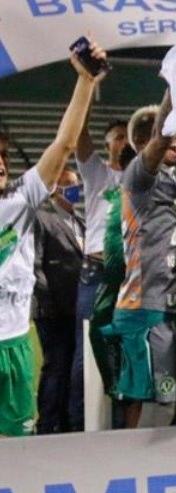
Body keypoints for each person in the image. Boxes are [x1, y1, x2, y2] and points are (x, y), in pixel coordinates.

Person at [0, 41, 106, 436]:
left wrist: (84, 81)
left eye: (2, 162)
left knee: (17, 449)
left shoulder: (17, 201)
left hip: (13, 345)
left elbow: (63, 146)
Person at [110, 34, 176, 428]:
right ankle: (129, 466)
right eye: (170, 139)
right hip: (145, 305)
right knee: (146, 400)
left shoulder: (172, 176)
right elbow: (163, 135)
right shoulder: (139, 176)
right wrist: (174, 83)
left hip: (173, 303)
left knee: (172, 402)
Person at [72, 114, 127, 431]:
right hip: (97, 275)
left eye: (127, 136)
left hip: (130, 279)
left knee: (123, 357)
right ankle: (79, 428)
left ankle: (118, 428)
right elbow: (78, 132)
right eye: (117, 136)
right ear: (106, 144)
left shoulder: (143, 178)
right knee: (87, 359)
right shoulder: (96, 172)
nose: (124, 141)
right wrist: (88, 88)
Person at [32, 168, 85, 432]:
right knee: (56, 367)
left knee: (70, 369)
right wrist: (47, 302)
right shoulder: (42, 218)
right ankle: (48, 422)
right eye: (68, 184)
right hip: (53, 310)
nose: (75, 189)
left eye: (77, 184)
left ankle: (65, 421)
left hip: (77, 309)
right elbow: (35, 264)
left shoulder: (81, 222)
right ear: (54, 188)